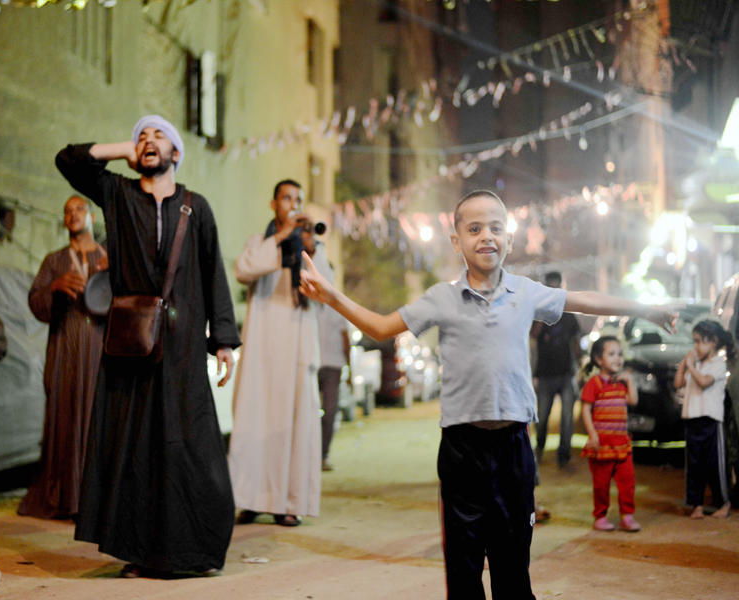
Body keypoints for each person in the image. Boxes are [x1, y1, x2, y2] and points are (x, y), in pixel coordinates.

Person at [297, 189, 677, 600]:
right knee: (463, 573)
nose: (486, 237)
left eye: (496, 228)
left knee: (512, 568)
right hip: (462, 450)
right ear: (456, 241)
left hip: (513, 446)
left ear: (509, 240)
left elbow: (584, 300)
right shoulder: (442, 298)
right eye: (474, 228)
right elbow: (381, 326)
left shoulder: (525, 293)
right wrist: (331, 296)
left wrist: (647, 309)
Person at [55, 114, 242, 577]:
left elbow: (213, 273)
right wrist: (125, 147)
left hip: (183, 348)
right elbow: (69, 160)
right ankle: (142, 553)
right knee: (135, 448)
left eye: (159, 136)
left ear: (177, 153)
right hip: (132, 345)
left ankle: (193, 550)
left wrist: (222, 340)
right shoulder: (118, 195)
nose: (148, 141)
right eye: (142, 136)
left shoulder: (196, 208)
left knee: (189, 444)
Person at [229, 179, 322, 527]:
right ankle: (251, 499)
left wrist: (311, 249)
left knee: (293, 425)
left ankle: (288, 502)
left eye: (298, 199)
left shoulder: (311, 247)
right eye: (287, 198)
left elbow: (326, 291)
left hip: (296, 348)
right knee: (255, 421)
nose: (293, 204)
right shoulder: (261, 242)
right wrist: (282, 236)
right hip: (262, 351)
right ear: (274, 204)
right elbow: (244, 270)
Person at [18, 195, 107, 519]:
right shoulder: (54, 261)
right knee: (65, 419)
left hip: (100, 349)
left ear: (92, 216)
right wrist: (54, 287)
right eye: (67, 211)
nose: (73, 214)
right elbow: (35, 303)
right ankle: (65, 499)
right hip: (65, 348)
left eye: (79, 208)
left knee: (98, 418)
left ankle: (97, 500)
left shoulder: (108, 258)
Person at [301, 219, 351, 471]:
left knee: (329, 411)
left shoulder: (338, 305)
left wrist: (349, 368)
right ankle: (306, 455)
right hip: (309, 360)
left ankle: (323, 455)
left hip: (332, 363)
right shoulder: (305, 301)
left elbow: (346, 338)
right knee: (306, 411)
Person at [674, 319, 734, 519]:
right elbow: (678, 383)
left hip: (711, 421)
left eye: (700, 341)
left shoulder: (718, 364)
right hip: (692, 418)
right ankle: (696, 505)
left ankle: (723, 503)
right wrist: (685, 364)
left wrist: (691, 366)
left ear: (714, 342)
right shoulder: (696, 364)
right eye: (695, 341)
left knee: (714, 464)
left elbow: (704, 382)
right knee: (694, 465)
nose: (696, 346)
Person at [580, 336, 641, 532]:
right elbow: (585, 410)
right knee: (601, 484)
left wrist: (630, 381)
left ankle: (627, 516)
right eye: (612, 354)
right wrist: (592, 435)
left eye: (620, 354)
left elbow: (633, 401)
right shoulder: (594, 383)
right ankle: (600, 516)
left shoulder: (621, 383)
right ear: (599, 359)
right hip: (602, 445)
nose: (618, 358)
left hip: (622, 444)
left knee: (628, 482)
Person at [530, 271, 581, 468]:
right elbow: (533, 336)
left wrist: (580, 366)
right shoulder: (538, 311)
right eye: (549, 287)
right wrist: (543, 313)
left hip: (566, 374)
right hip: (545, 375)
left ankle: (564, 456)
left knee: (567, 418)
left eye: (556, 286)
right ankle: (540, 447)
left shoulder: (568, 313)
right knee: (542, 418)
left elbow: (575, 341)